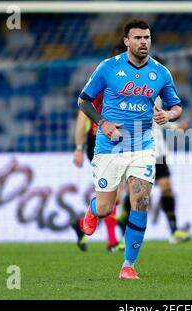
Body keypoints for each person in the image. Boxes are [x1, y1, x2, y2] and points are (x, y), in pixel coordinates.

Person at [77, 19, 183, 279]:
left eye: (147, 37)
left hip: (143, 145)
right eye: (138, 38)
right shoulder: (108, 68)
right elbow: (83, 101)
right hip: (110, 146)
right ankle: (93, 210)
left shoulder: (161, 73)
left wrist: (169, 116)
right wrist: (103, 123)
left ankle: (128, 266)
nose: (143, 42)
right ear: (127, 41)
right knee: (106, 208)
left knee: (141, 201)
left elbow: (177, 107)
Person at [117, 55, 192, 245]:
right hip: (138, 150)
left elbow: (160, 119)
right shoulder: (131, 91)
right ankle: (122, 229)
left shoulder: (157, 94)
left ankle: (174, 231)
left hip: (158, 152)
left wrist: (176, 128)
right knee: (137, 193)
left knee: (166, 187)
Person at [71, 44, 127, 253]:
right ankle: (112, 241)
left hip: (121, 140)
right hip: (99, 142)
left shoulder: (131, 84)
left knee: (116, 197)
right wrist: (78, 147)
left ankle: (80, 226)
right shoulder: (102, 82)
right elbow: (82, 114)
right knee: (113, 193)